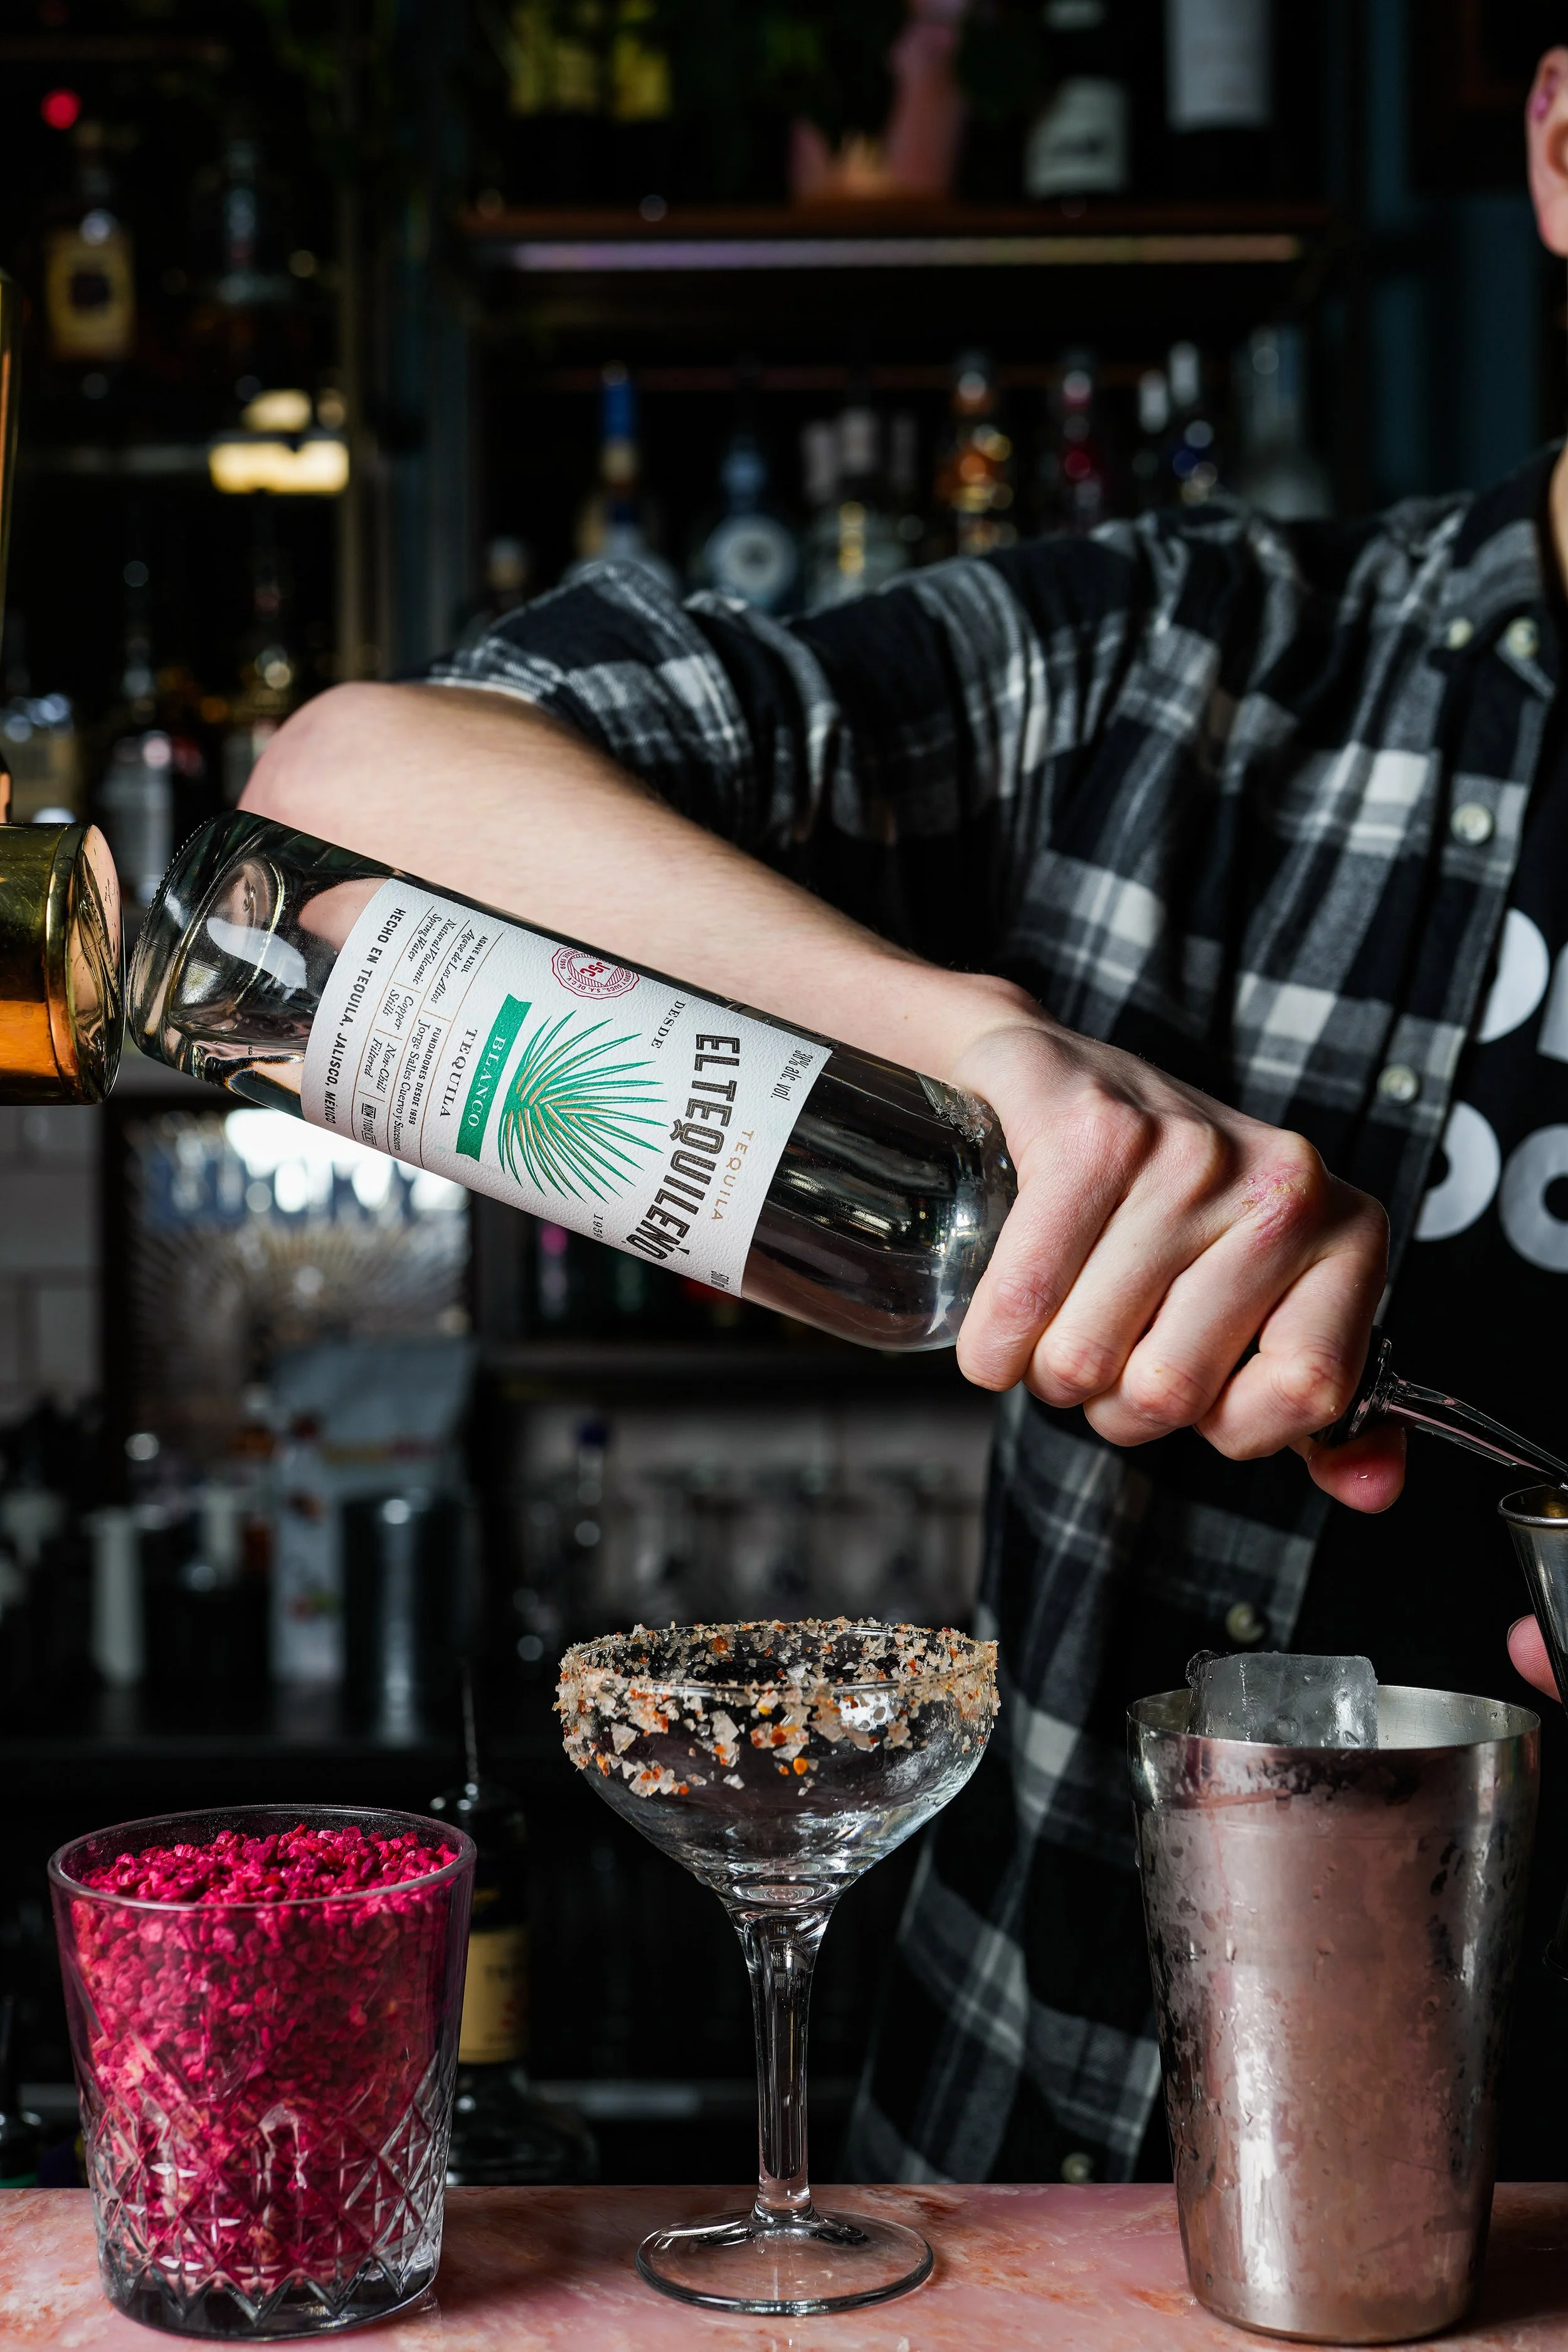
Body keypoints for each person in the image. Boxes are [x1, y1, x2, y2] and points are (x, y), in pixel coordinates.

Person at [245, 49, 1568, 2186]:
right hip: (1052, 2180)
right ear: (1560, 147)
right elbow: (339, 811)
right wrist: (983, 1055)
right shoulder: (1188, 662)